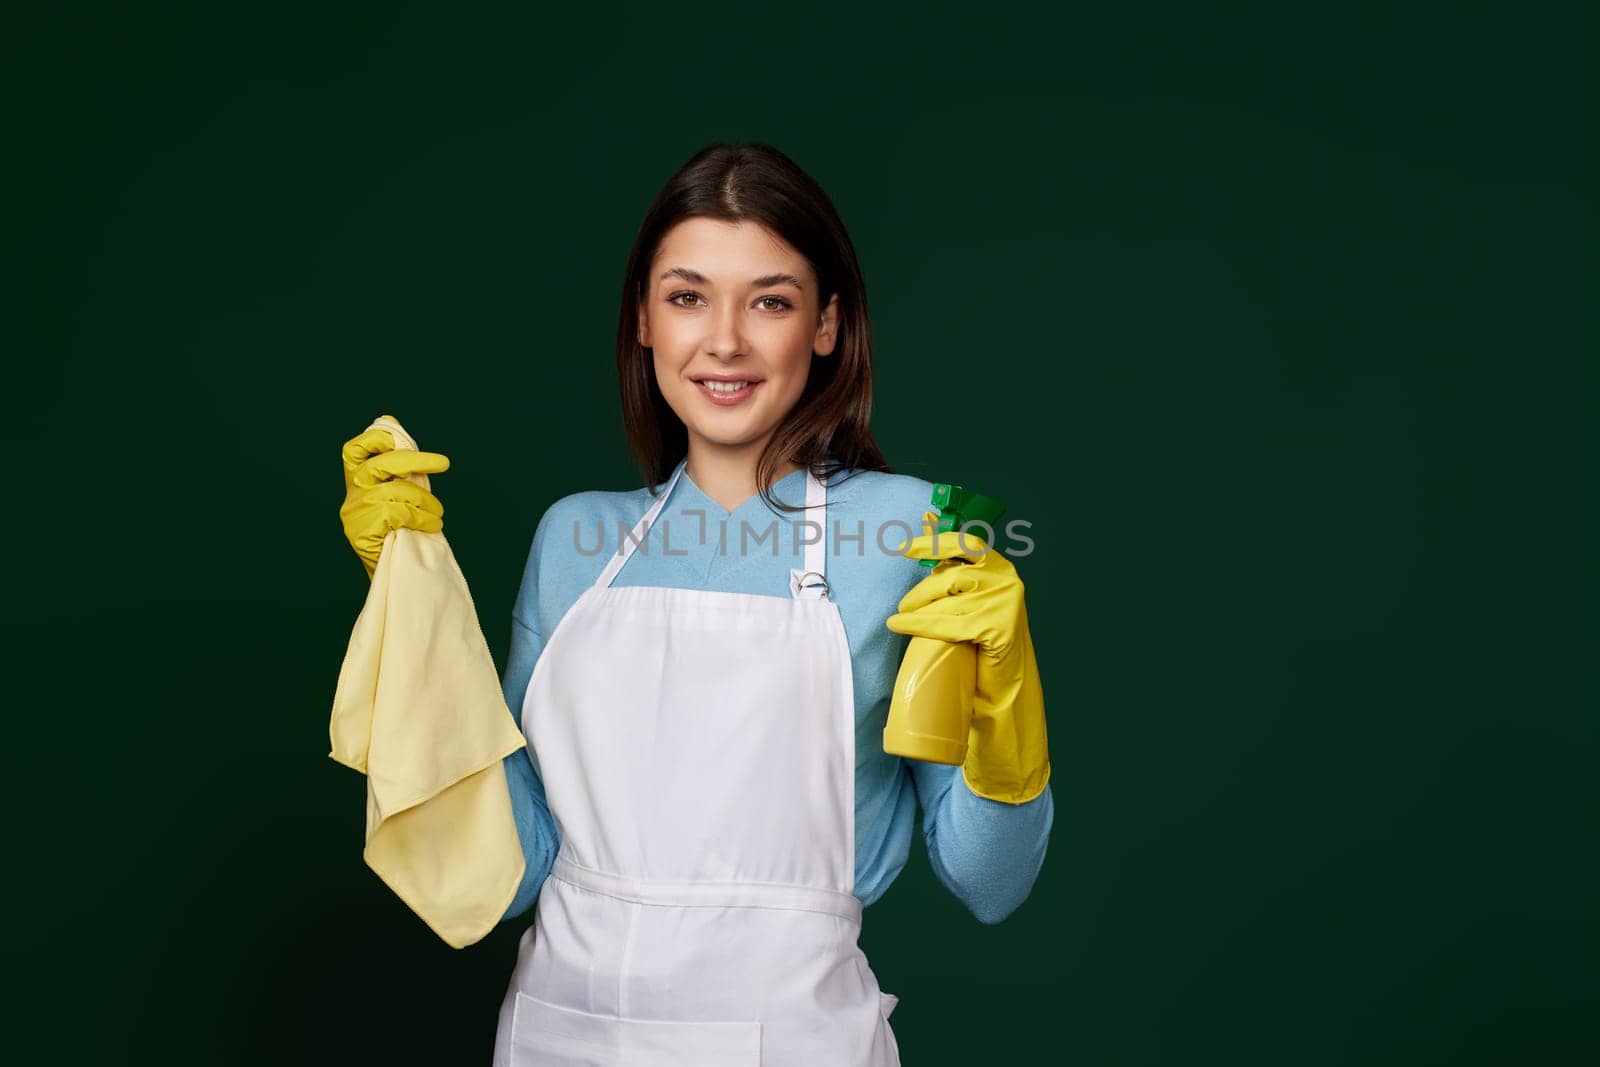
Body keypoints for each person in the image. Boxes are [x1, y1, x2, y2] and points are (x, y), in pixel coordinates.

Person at [338, 141, 1054, 1066]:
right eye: (687, 297)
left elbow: (989, 883)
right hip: (562, 1035)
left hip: (797, 1041)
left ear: (827, 325)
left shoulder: (914, 532)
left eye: (771, 300)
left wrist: (1010, 714)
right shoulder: (575, 541)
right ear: (644, 319)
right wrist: (406, 593)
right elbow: (512, 866)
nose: (724, 340)